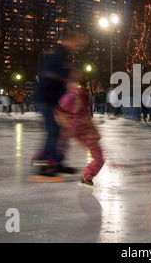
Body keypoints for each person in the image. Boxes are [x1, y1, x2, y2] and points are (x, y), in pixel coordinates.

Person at [32, 31, 87, 179]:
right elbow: (51, 72)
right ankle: (49, 163)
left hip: (51, 100)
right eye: (76, 44)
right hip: (47, 100)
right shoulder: (56, 54)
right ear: (67, 41)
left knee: (58, 131)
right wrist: (70, 72)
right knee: (53, 132)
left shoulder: (62, 55)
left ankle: (54, 160)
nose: (77, 48)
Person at [55, 82, 105, 187]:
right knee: (99, 159)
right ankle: (87, 176)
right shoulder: (76, 117)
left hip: (90, 136)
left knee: (99, 159)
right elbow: (72, 129)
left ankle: (87, 176)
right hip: (89, 138)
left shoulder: (80, 112)